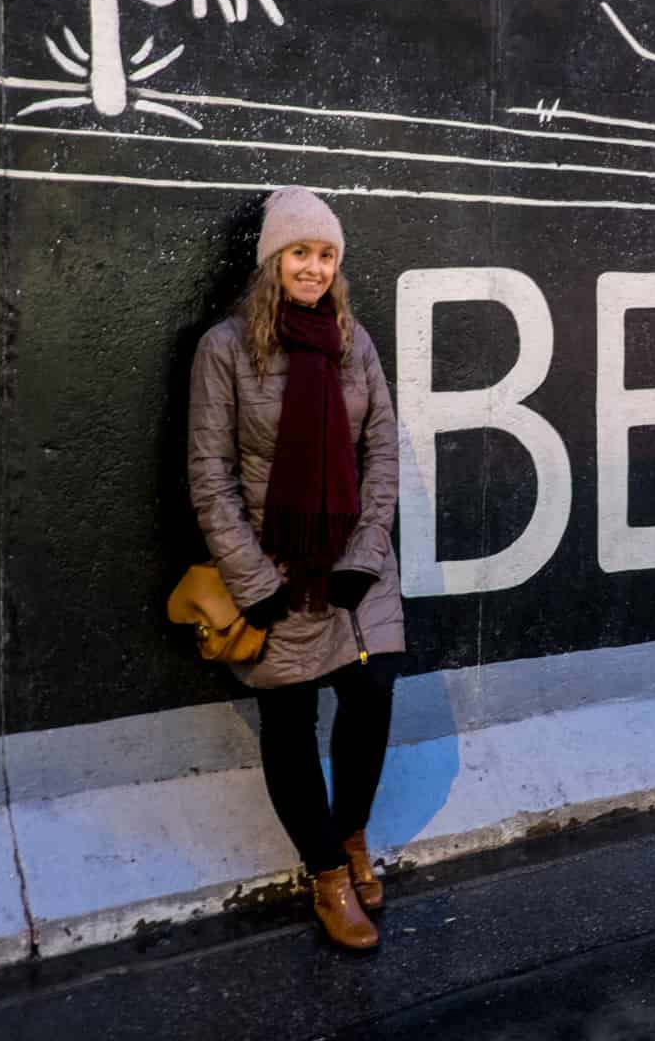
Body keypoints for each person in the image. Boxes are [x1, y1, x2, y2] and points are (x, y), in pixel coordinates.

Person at [188, 186, 405, 951]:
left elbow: (382, 450)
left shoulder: (355, 340)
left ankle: (350, 834)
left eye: (325, 255)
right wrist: (256, 585)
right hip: (275, 564)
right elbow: (209, 477)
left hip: (356, 561)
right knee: (288, 715)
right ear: (273, 260)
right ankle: (326, 872)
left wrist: (365, 556)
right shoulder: (225, 349)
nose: (313, 268)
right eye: (300, 253)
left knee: (372, 692)